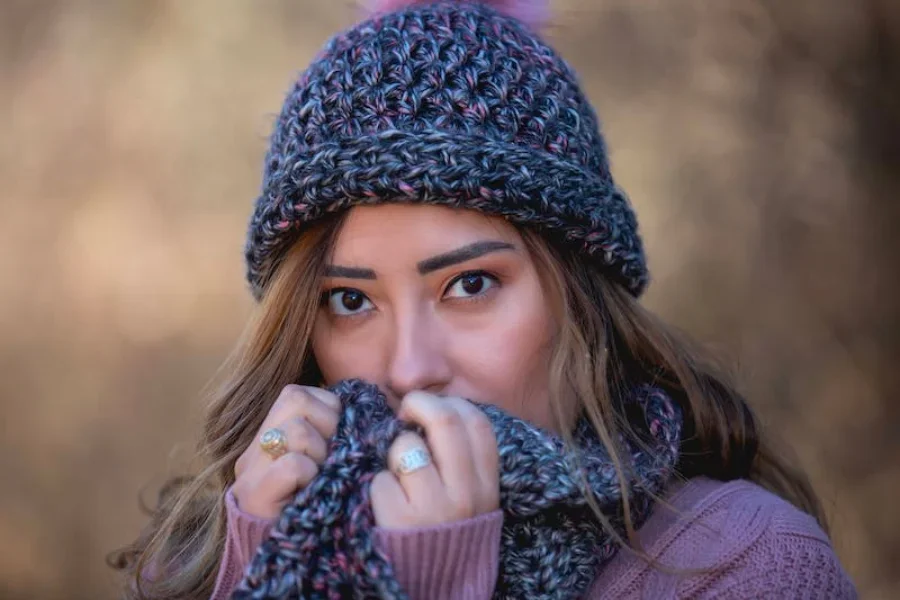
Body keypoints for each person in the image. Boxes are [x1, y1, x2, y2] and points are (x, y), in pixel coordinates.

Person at [111, 0, 857, 598]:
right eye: (350, 301)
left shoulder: (749, 565)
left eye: (469, 285)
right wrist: (258, 561)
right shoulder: (218, 551)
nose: (409, 370)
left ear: (581, 298)